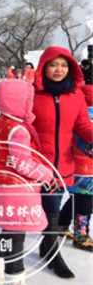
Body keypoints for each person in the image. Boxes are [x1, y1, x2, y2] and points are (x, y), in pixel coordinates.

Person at [0, 79, 53, 285]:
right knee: (16, 233)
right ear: (18, 101)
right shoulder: (19, 130)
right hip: (16, 188)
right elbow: (21, 163)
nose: (30, 103)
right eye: (28, 99)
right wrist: (46, 174)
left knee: (10, 226)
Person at [32, 46, 93, 279]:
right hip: (35, 164)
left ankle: (49, 251)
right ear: (44, 66)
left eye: (64, 65)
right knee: (25, 213)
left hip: (62, 164)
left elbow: (83, 125)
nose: (59, 69)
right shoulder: (32, 92)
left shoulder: (75, 94)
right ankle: (11, 253)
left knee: (53, 210)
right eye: (53, 64)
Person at [58, 76, 93, 252]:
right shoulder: (88, 118)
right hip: (87, 169)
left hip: (74, 167)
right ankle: (81, 235)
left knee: (75, 199)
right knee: (86, 203)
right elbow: (84, 141)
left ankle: (61, 224)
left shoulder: (75, 114)